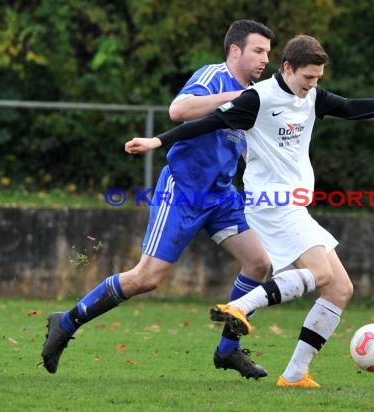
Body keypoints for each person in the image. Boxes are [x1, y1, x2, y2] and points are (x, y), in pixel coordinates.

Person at [124, 34, 374, 388]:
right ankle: (240, 307)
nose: (311, 87)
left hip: (294, 205)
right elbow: (208, 122)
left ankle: (295, 374)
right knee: (319, 274)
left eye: (317, 79)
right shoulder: (258, 99)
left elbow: (350, 108)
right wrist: (158, 140)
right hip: (270, 205)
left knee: (339, 289)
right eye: (307, 78)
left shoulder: (312, 97)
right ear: (287, 68)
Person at [41, 19, 275, 379]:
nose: (264, 59)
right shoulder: (214, 77)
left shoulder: (255, 94)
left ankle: (227, 351)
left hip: (221, 196)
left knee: (259, 265)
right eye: (258, 51)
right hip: (182, 190)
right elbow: (178, 111)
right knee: (146, 278)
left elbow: (247, 147)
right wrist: (233, 98)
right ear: (235, 50)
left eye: (268, 53)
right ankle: (67, 321)